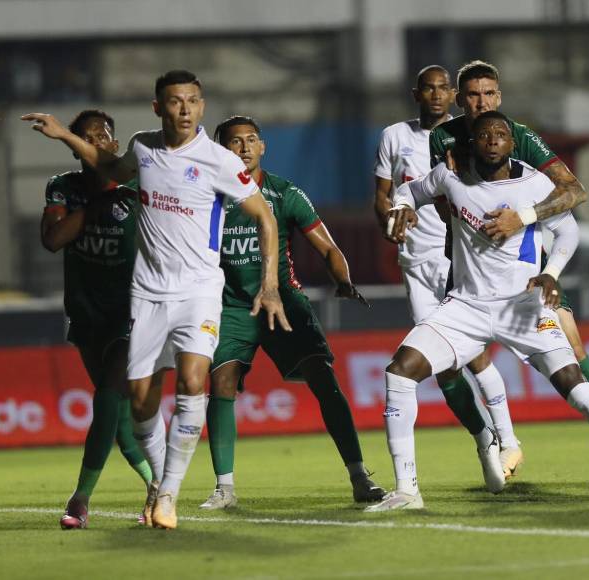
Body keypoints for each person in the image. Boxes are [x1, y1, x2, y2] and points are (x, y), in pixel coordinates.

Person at [367, 112, 589, 511]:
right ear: (473, 142)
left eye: (501, 134)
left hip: (524, 307)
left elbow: (567, 231)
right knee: (399, 371)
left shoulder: (535, 183)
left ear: (512, 143)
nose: (494, 140)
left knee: (580, 390)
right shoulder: (450, 177)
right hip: (466, 306)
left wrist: (551, 273)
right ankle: (407, 491)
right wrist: (401, 208)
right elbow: (409, 192)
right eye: (485, 135)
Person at [22, 70, 288, 530]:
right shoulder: (143, 148)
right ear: (157, 108)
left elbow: (265, 216)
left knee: (192, 381)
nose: (184, 109)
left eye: (192, 101)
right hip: (147, 294)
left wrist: (270, 285)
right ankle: (159, 484)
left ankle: (167, 495)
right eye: (174, 101)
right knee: (142, 403)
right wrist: (64, 135)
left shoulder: (220, 161)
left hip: (200, 292)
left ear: (202, 107)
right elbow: (110, 169)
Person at [428, 60, 589, 482]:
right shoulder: (443, 137)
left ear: (499, 97)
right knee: (458, 363)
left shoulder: (518, 136)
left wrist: (523, 215)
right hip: (469, 272)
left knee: (573, 348)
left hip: (526, 269)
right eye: (473, 95)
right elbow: (450, 196)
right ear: (460, 101)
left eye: (489, 94)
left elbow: (575, 190)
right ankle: (501, 441)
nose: (482, 102)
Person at [199, 116, 383, 510]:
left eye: (251, 140)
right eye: (235, 141)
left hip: (282, 300)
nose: (245, 147)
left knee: (324, 379)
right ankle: (224, 488)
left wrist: (344, 279)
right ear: (220, 150)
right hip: (230, 305)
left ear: (263, 147)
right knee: (221, 383)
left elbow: (328, 247)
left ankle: (359, 475)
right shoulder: (207, 195)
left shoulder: (285, 193)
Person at [373, 65, 526, 478]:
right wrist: (393, 223)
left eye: (445, 88)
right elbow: (385, 196)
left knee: (476, 357)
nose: (437, 95)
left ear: (453, 95)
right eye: (429, 88)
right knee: (445, 367)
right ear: (416, 93)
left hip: (456, 259)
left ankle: (507, 439)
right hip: (415, 263)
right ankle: (484, 441)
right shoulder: (395, 137)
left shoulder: (471, 138)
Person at [41, 109, 159, 529]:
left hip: (134, 313)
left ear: (114, 144)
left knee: (108, 398)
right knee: (119, 423)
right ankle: (156, 485)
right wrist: (96, 204)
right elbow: (53, 239)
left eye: (103, 135)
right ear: (75, 148)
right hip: (87, 315)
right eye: (86, 136)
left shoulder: (138, 187)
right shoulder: (64, 188)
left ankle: (79, 499)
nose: (96, 141)